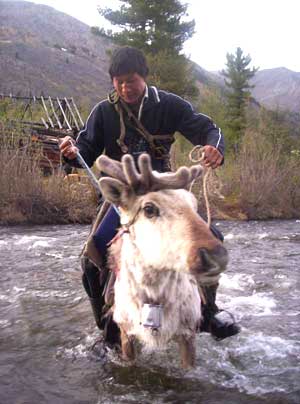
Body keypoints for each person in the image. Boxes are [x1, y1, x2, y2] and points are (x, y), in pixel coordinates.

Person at [60, 46, 240, 344]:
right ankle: (106, 325)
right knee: (91, 257)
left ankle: (208, 314)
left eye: (130, 80)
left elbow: (208, 129)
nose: (124, 87)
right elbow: (84, 148)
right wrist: (70, 152)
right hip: (123, 199)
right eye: (117, 81)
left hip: (166, 193)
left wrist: (214, 147)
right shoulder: (103, 112)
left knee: (213, 239)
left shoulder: (170, 105)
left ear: (144, 76)